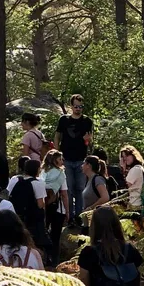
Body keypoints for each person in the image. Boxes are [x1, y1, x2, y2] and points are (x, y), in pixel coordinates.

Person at [77, 206, 143, 286]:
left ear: (94, 226)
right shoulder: (130, 249)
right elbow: (140, 277)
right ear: (117, 224)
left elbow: (84, 284)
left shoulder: (89, 252)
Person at [54, 94, 93, 224]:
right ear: (71, 106)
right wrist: (57, 153)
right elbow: (57, 136)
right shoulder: (64, 120)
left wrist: (87, 141)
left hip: (81, 159)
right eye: (76, 106)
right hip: (66, 159)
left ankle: (79, 216)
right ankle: (69, 216)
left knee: (80, 188)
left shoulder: (87, 121)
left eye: (81, 106)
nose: (78, 109)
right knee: (68, 189)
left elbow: (90, 140)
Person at [8, 158, 51, 259]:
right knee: (36, 243)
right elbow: (41, 204)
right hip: (33, 220)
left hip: (18, 217)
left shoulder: (15, 180)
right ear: (36, 169)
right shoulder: (38, 183)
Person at [41, 149, 69, 267]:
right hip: (58, 208)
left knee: (44, 232)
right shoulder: (60, 174)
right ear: (54, 160)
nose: (62, 161)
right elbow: (64, 193)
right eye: (60, 159)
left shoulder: (42, 172)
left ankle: (44, 259)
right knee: (56, 236)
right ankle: (55, 262)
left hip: (44, 206)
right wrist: (68, 211)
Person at [81, 155, 110, 223]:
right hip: (90, 220)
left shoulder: (97, 179)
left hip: (98, 220)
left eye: (84, 163)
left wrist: (91, 208)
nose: (82, 166)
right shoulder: (88, 180)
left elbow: (105, 197)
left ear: (89, 165)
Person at [120, 145, 144, 213]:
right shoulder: (139, 168)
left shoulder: (135, 169)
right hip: (137, 203)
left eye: (127, 156)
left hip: (135, 204)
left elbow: (125, 186)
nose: (125, 159)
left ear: (133, 155)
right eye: (123, 157)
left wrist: (123, 168)